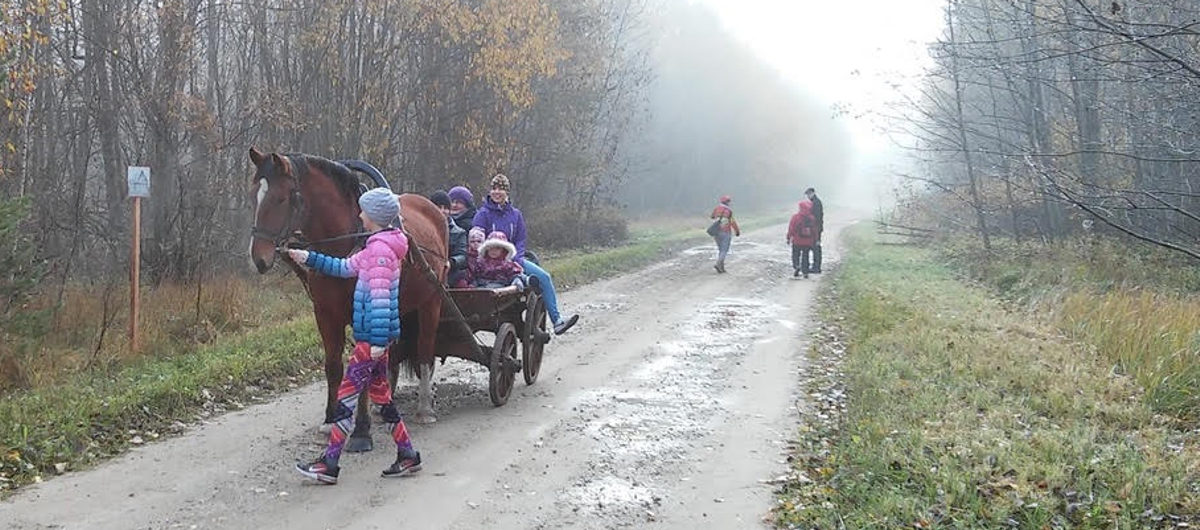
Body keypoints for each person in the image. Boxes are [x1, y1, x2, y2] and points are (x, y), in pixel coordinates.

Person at [286, 188, 422, 485]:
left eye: (363, 210)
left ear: (374, 216)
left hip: (371, 340)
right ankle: (408, 454)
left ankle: (329, 464)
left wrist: (376, 344)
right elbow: (345, 267)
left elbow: (381, 299)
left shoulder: (381, 252)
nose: (359, 214)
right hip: (374, 340)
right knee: (382, 399)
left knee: (345, 398)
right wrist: (308, 257)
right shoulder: (376, 247)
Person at [473, 173, 579, 335]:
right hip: (489, 261)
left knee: (544, 277)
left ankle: (557, 320)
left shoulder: (515, 215)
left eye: (501, 189)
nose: (497, 192)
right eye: (494, 188)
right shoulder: (482, 214)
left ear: (507, 192)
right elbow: (477, 240)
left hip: (513, 259)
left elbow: (520, 239)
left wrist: (515, 258)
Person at [429, 190, 468, 287]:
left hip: (451, 276)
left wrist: (451, 263)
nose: (442, 211)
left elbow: (462, 256)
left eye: (445, 208)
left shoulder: (459, 232)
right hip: (428, 275)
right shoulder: (423, 230)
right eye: (438, 207)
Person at [787, 199, 818, 279]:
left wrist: (788, 237)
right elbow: (814, 230)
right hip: (808, 242)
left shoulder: (795, 217)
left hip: (797, 241)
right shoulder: (812, 218)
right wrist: (815, 239)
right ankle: (805, 272)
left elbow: (791, 229)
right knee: (805, 256)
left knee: (795, 255)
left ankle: (797, 265)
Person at [710, 195, 740, 273]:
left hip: (716, 232)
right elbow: (732, 222)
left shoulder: (716, 209)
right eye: (728, 201)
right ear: (727, 202)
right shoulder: (729, 211)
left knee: (721, 250)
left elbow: (712, 217)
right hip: (726, 232)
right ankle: (718, 264)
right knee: (724, 250)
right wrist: (737, 231)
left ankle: (721, 267)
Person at [804, 187, 824, 273]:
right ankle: (815, 266)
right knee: (814, 247)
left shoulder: (816, 203)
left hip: (816, 229)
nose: (808, 196)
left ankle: (816, 267)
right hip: (816, 228)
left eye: (809, 194)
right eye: (807, 195)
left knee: (816, 248)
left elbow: (817, 217)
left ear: (813, 193)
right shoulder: (814, 202)